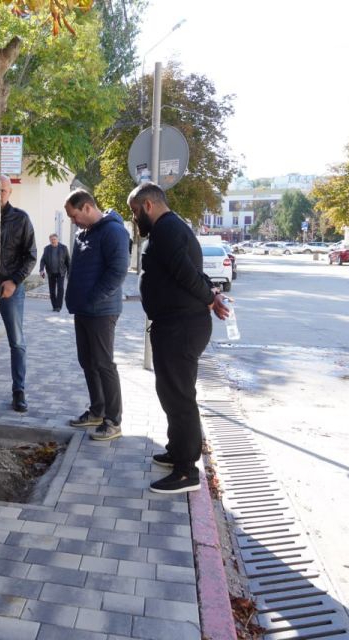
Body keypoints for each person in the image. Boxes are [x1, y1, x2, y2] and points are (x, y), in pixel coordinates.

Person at [128, 182, 229, 494]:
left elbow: (185, 272)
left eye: (135, 211)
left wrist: (209, 298)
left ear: (148, 205)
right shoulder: (172, 228)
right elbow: (193, 272)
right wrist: (212, 292)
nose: (134, 218)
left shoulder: (167, 229)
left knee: (179, 397)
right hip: (176, 325)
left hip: (180, 328)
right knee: (171, 393)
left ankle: (186, 471)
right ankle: (177, 450)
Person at [63, 189, 130, 441]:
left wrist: (93, 298)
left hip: (102, 311)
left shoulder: (113, 231)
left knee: (103, 363)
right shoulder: (84, 233)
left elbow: (118, 271)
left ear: (87, 208)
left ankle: (113, 421)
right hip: (83, 309)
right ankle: (97, 411)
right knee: (87, 361)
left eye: (74, 215)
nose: (73, 221)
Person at [0, 175, 37, 412]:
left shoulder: (21, 219)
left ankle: (19, 390)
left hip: (10, 287)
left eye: (2, 190)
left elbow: (31, 255)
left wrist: (14, 281)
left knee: (17, 341)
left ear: (9, 192)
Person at [39, 233, 70, 312]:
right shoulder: (47, 249)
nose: (53, 241)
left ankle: (58, 306)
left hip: (61, 272)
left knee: (60, 289)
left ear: (57, 239)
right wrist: (41, 270)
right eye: (51, 240)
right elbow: (43, 260)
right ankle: (54, 306)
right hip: (51, 272)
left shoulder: (64, 248)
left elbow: (68, 261)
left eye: (54, 239)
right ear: (50, 240)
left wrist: (69, 272)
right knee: (52, 290)